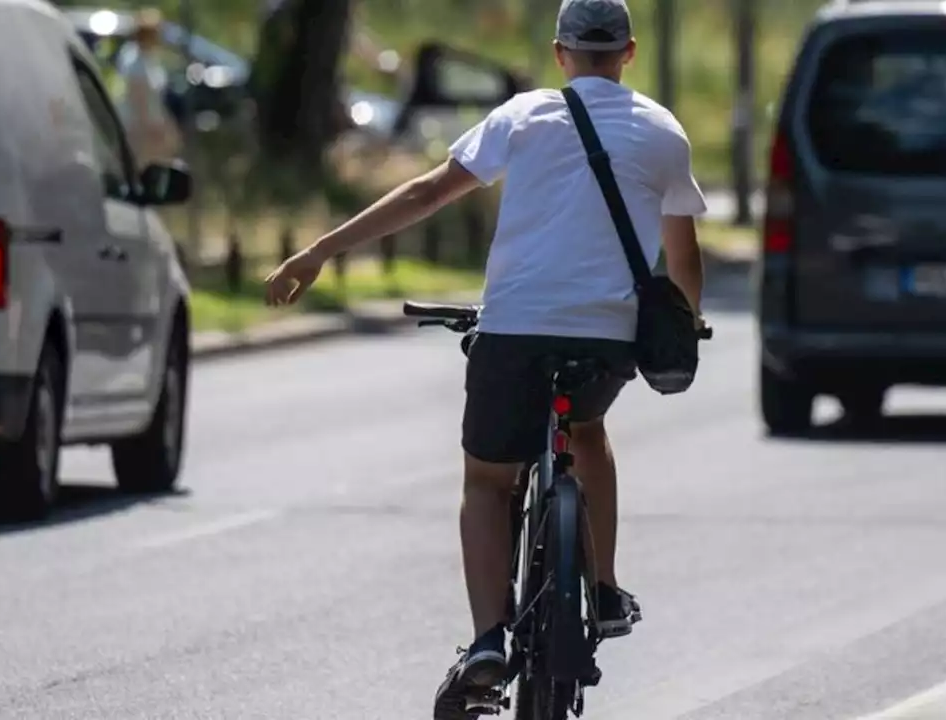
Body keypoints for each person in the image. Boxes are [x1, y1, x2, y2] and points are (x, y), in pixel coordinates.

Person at [263, 0, 707, 711]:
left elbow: (428, 191)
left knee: (487, 482)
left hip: (514, 332)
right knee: (586, 431)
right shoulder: (663, 132)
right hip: (607, 338)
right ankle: (602, 586)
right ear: (628, 53)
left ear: (561, 54)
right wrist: (689, 325)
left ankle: (488, 642)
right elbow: (683, 260)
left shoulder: (523, 115)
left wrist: (321, 251)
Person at [116, 8, 180, 167]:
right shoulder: (135, 62)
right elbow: (139, 99)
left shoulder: (149, 60)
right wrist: (152, 129)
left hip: (151, 124)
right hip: (139, 128)